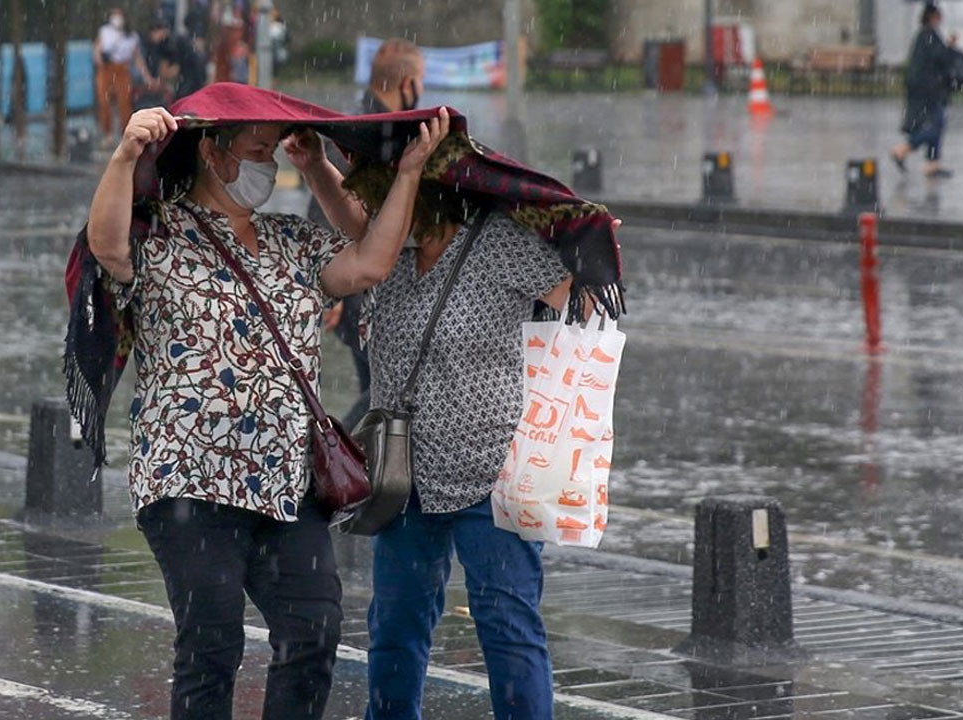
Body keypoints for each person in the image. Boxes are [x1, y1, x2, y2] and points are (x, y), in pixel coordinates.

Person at [84, 94, 451, 719]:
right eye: (257, 152)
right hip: (189, 482)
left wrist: (398, 171)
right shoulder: (162, 232)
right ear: (211, 152)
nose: (267, 168)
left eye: (272, 155)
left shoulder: (291, 239)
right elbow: (108, 248)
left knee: (314, 630)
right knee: (211, 645)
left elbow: (371, 259)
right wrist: (125, 156)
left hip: (287, 480)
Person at [310, 144, 620, 720]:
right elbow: (349, 218)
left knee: (506, 623)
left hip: (492, 472)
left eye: (382, 200)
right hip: (403, 479)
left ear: (423, 195)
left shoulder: (497, 244)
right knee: (396, 627)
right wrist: (311, 165)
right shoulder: (390, 251)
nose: (373, 214)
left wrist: (586, 244)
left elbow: (584, 307)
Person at [311, 38, 426, 430]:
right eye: (420, 82)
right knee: (386, 390)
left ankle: (360, 467)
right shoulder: (369, 133)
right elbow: (325, 205)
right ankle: (338, 451)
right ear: (407, 82)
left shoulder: (365, 125)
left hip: (370, 286)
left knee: (381, 387)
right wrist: (334, 293)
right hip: (363, 288)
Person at [890, 3, 963, 179]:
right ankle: (903, 150)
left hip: (924, 89)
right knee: (935, 126)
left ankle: (933, 164)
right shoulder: (928, 36)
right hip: (929, 90)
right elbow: (941, 59)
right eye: (938, 16)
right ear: (932, 17)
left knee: (935, 125)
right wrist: (951, 47)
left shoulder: (924, 36)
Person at [94, 9, 153, 145]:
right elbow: (97, 49)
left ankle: (125, 133)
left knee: (124, 101)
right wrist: (100, 61)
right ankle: (107, 133)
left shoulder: (131, 36)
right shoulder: (105, 31)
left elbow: (137, 58)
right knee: (104, 101)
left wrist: (146, 76)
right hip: (106, 68)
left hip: (122, 69)